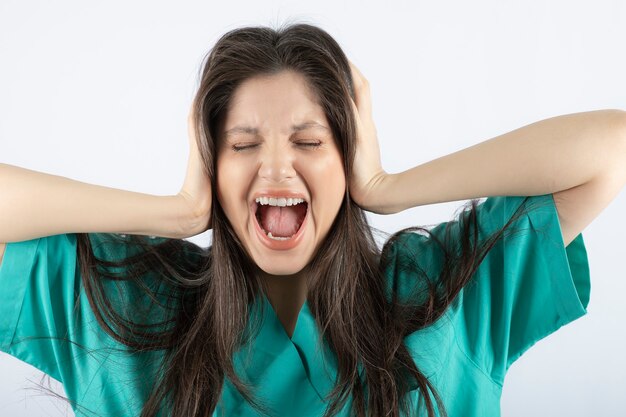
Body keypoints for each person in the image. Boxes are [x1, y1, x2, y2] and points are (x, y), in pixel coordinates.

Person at [0, 22, 624, 417]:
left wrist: (390, 187)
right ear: (210, 166)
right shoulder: (130, 302)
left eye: (309, 141)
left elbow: (610, 148)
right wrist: (176, 211)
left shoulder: (443, 291)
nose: (275, 168)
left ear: (347, 161)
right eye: (243, 145)